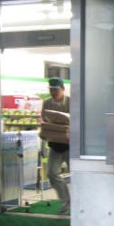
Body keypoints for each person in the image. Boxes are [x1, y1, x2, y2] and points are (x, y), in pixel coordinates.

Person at [41, 77, 70, 214]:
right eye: (51, 90)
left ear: (63, 89)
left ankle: (83, 202)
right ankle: (65, 200)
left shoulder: (71, 102)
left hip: (71, 145)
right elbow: (44, 121)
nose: (53, 92)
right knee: (52, 173)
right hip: (54, 144)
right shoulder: (46, 103)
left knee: (78, 175)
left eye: (56, 90)